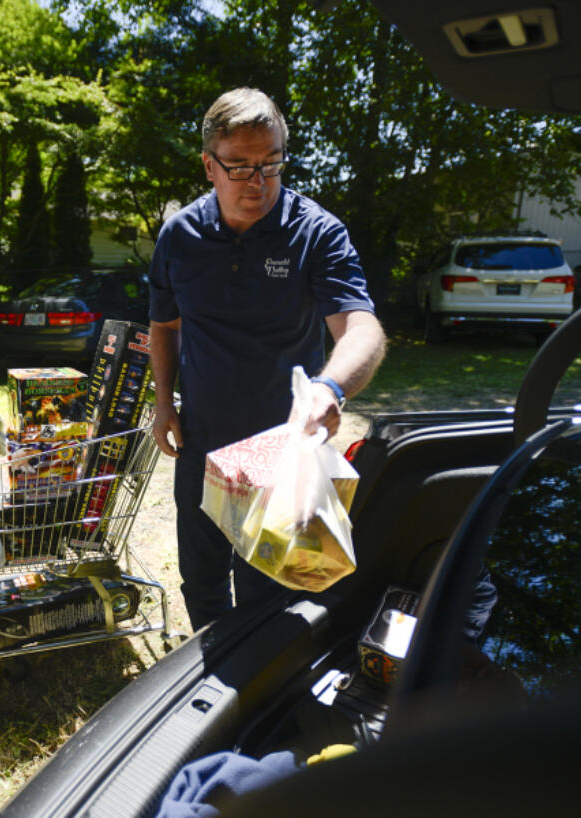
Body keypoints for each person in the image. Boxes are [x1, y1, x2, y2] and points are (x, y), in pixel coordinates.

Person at [148, 88, 386, 631]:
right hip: (202, 441)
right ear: (209, 166)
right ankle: (207, 684)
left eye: (272, 164)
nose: (259, 183)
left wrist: (331, 389)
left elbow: (361, 327)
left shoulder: (316, 232)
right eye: (240, 168)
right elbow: (164, 325)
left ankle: (262, 699)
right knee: (201, 579)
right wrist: (165, 401)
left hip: (281, 449)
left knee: (267, 589)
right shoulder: (179, 236)